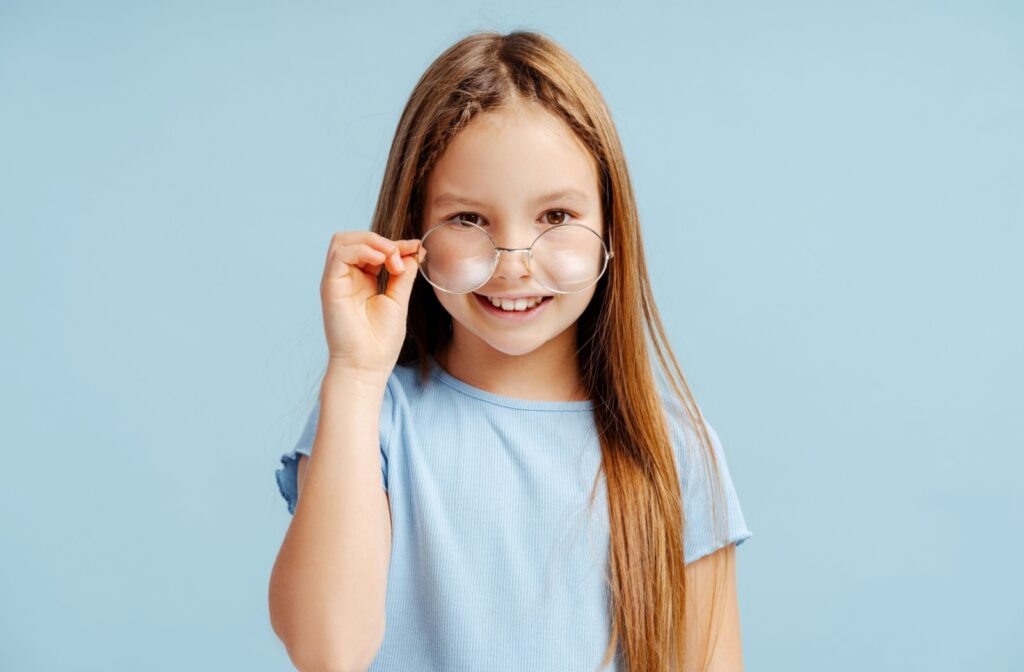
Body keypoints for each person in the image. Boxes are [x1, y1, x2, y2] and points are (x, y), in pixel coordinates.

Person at [268, 29, 753, 672]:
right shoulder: (373, 425)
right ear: (414, 233)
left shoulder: (673, 450)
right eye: (469, 219)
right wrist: (356, 374)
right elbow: (326, 650)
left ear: (611, 226)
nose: (513, 265)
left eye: (555, 217)